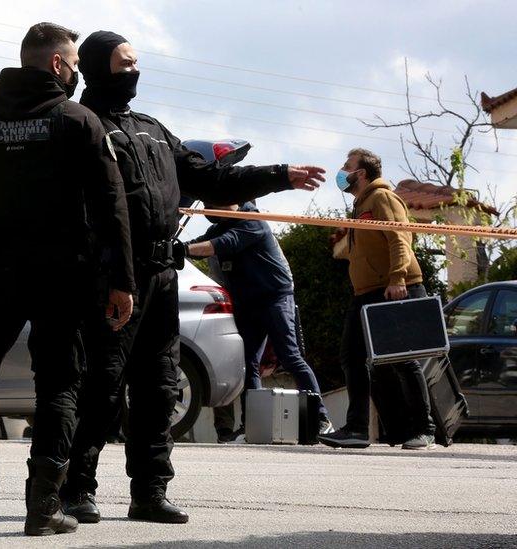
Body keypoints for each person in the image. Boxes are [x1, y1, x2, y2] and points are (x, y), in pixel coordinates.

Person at [61, 30, 325, 525]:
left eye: (138, 63)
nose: (134, 72)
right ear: (97, 67)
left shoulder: (154, 130)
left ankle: (150, 492)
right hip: (107, 276)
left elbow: (213, 181)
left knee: (160, 386)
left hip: (162, 276)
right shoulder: (81, 125)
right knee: (102, 385)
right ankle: (77, 489)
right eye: (125, 64)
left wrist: (280, 175)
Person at [0, 22, 136, 537]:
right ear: (57, 65)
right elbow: (113, 209)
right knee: (59, 383)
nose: (78, 72)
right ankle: (43, 507)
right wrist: (122, 282)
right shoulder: (78, 120)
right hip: (67, 277)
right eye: (75, 64)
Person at [318, 148, 436, 450]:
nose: (342, 171)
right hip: (366, 293)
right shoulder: (361, 205)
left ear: (362, 173)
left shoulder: (383, 197)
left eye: (347, 166)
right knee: (353, 357)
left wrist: (397, 278)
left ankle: (425, 430)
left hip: (393, 288)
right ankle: (357, 430)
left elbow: (400, 237)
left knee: (403, 358)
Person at [186, 202, 333, 439]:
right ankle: (253, 424)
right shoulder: (220, 227)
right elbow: (204, 241)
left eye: (211, 203)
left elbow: (222, 244)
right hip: (247, 303)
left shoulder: (252, 221)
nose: (207, 208)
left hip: (274, 297)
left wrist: (183, 250)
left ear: (228, 200)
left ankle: (321, 417)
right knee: (247, 364)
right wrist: (177, 246)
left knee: (290, 356)